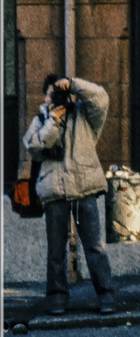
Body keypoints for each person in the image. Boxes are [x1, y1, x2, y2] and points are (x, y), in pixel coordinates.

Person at [23, 74, 115, 315]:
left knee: (94, 245)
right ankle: (57, 298)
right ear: (46, 97)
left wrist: (73, 83)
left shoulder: (85, 115)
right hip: (55, 190)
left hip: (84, 186)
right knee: (56, 249)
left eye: (60, 93)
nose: (57, 98)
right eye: (52, 94)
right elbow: (34, 147)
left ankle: (105, 294)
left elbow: (101, 98)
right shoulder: (41, 120)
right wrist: (53, 121)